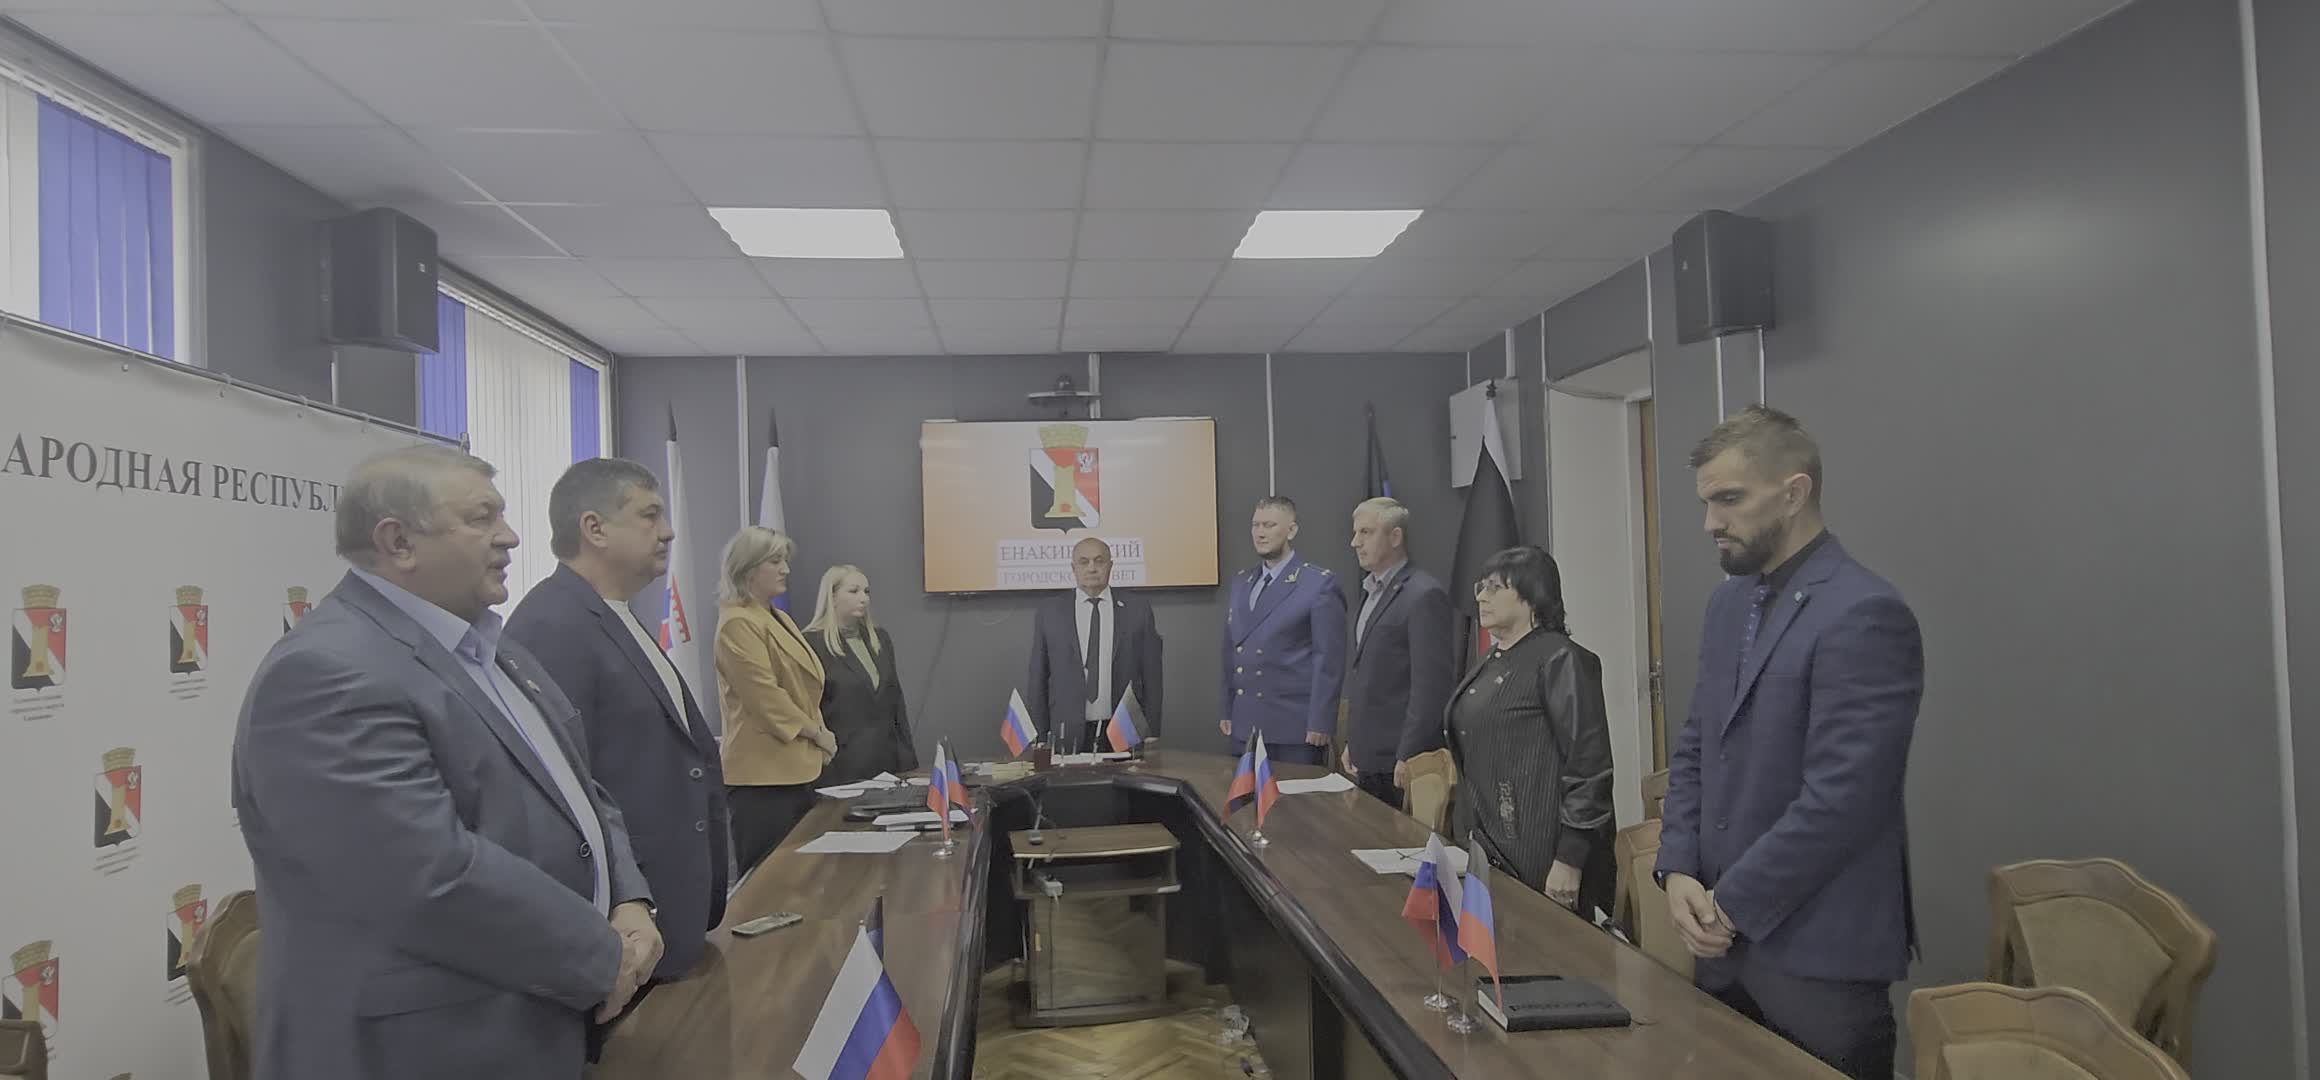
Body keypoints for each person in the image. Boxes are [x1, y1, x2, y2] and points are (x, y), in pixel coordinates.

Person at [232, 445, 661, 1080]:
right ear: (398, 542)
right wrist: (603, 956)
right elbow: (428, 876)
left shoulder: (490, 647)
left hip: (534, 1014)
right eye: (482, 518)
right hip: (426, 1047)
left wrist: (629, 900)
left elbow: (579, 788)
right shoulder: (326, 673)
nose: (510, 537)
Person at [1655, 405, 1922, 1080]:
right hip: (1722, 952)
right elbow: (1696, 746)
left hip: (1817, 962)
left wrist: (1731, 905)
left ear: (1794, 492)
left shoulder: (1864, 612)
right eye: (1706, 502)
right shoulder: (1727, 606)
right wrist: (1678, 866)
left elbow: (1843, 800)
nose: (1710, 522)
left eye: (1729, 499)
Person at [506, 458, 728, 985]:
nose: (667, 531)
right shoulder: (552, 625)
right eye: (649, 515)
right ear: (595, 528)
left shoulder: (613, 613)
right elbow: (563, 791)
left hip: (670, 917)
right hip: (626, 931)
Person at [1445, 546, 1615, 915]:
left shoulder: (1562, 659)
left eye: (1494, 587)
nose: (1481, 597)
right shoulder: (1493, 659)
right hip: (1489, 843)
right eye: (1480, 587)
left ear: (1532, 596)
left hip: (1544, 854)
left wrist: (1570, 858)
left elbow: (1589, 767)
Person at [712, 526, 833, 872]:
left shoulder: (777, 617)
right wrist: (817, 734)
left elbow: (805, 689)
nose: (786, 569)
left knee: (801, 880)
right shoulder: (737, 623)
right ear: (749, 568)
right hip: (762, 780)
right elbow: (766, 698)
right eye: (776, 561)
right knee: (770, 881)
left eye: (785, 561)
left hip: (795, 770)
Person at [1339, 497, 1454, 807]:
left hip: (1400, 762)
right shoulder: (1370, 592)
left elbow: (1430, 687)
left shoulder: (1423, 594)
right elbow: (1366, 675)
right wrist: (1354, 741)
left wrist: (1410, 753)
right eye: (1355, 533)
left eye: (1366, 532)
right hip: (1369, 757)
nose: (1355, 542)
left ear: (1395, 537)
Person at [1221, 496, 1346, 766]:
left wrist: (1321, 721)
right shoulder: (1242, 582)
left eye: (1269, 525)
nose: (1260, 533)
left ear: (1291, 530)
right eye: (1255, 525)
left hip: (1292, 728)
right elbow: (1230, 651)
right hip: (1244, 724)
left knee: (1294, 794)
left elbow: (1329, 660)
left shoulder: (1316, 584)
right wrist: (1227, 709)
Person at [1026, 537, 1164, 752]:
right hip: (1066, 730)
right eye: (1084, 562)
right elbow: (1038, 676)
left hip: (1124, 729)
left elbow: (1152, 674)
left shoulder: (1137, 609)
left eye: (1099, 561)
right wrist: (1039, 733)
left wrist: (1152, 728)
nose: (1092, 568)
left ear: (1110, 566)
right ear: (1073, 568)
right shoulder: (1050, 612)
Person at [801, 565, 919, 783]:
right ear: (832, 597)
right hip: (840, 767)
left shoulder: (879, 639)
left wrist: (908, 758)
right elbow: (807, 709)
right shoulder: (810, 644)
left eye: (866, 591)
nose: (864, 598)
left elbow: (896, 703)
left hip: (888, 763)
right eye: (854, 591)